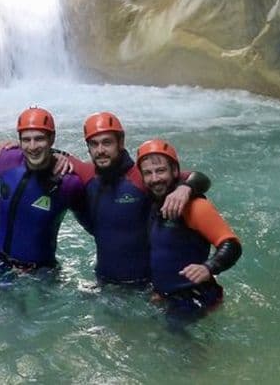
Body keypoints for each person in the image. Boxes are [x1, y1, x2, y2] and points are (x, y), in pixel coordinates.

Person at [68, 112, 210, 286]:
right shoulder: (87, 174)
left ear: (120, 142)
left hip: (145, 286)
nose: (100, 150)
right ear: (88, 147)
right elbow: (53, 155)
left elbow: (200, 178)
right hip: (103, 282)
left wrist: (185, 188)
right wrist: (58, 155)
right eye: (94, 144)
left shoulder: (142, 176)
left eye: (107, 142)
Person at [136, 139, 241, 317]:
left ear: (175, 171)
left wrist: (209, 267)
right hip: (168, 296)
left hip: (196, 297)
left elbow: (232, 244)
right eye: (148, 173)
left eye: (160, 170)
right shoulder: (154, 202)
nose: (155, 179)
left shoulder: (196, 206)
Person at [0, 107, 84, 273]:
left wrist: (64, 155)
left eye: (39, 139)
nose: (32, 146)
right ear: (19, 141)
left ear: (52, 139)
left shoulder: (69, 182)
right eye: (26, 140)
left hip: (40, 273)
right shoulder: (6, 159)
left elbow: (95, 222)